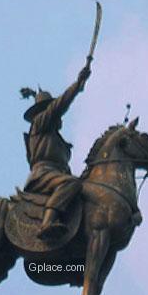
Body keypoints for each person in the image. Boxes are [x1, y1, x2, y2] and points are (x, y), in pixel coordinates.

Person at [21, 62, 92, 239]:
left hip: (55, 175)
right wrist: (77, 85)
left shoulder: (54, 138)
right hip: (42, 175)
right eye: (53, 112)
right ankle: (47, 222)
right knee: (71, 184)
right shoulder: (40, 124)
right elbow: (58, 106)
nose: (58, 116)